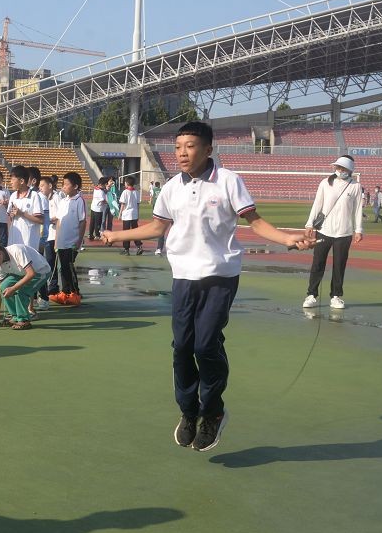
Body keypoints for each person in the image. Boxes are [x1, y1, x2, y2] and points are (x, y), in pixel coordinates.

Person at [101, 122, 309, 452]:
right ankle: (189, 411)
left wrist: (288, 239)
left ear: (208, 149)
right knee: (182, 346)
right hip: (183, 275)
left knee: (205, 345)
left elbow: (254, 221)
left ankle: (213, 412)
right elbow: (157, 226)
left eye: (191, 146)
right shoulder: (171, 187)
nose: (183, 152)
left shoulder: (228, 181)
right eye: (178, 146)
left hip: (220, 275)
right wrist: (117, 235)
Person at [301, 155, 364, 310]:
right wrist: (310, 223)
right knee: (318, 263)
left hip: (344, 233)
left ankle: (336, 296)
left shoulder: (355, 186)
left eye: (342, 168)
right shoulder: (325, 183)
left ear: (349, 170)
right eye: (337, 167)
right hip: (324, 231)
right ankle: (311, 295)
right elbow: (317, 204)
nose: (339, 170)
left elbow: (358, 210)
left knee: (339, 265)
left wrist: (358, 230)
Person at [0, 240, 52, 331]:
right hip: (21, 273)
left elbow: (31, 274)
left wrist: (13, 288)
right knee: (4, 285)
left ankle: (24, 320)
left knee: (20, 290)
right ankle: (15, 316)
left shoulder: (17, 251)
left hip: (41, 272)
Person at [49, 172, 87, 305]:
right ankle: (65, 293)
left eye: (66, 184)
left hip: (72, 242)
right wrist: (56, 240)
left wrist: (79, 240)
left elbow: (82, 222)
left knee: (68, 267)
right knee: (62, 268)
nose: (63, 187)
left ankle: (74, 293)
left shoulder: (79, 201)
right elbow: (59, 221)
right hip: (61, 241)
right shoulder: (63, 201)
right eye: (63, 184)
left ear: (75, 186)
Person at [5, 165, 45, 251]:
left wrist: (22, 214)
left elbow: (41, 220)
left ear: (22, 181)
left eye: (13, 179)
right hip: (14, 239)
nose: (10, 182)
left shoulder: (34, 196)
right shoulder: (13, 196)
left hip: (29, 241)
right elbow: (9, 218)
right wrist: (9, 232)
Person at [38, 175, 60, 309]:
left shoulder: (56, 197)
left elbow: (60, 216)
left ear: (50, 186)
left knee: (52, 262)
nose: (40, 189)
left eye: (42, 186)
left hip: (55, 235)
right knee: (47, 262)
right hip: (46, 235)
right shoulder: (41, 198)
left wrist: (48, 220)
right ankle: (51, 287)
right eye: (39, 186)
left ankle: (53, 287)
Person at [118, 177, 142, 255]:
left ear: (127, 183)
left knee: (126, 232)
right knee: (135, 232)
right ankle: (139, 246)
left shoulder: (125, 192)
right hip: (134, 214)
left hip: (127, 215)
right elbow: (138, 205)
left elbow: (123, 204)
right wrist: (138, 214)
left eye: (125, 182)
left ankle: (126, 249)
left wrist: (120, 214)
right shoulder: (137, 192)